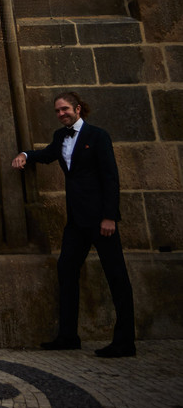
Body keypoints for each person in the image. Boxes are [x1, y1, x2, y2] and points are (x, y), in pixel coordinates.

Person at [11, 92, 135, 358]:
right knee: (66, 270)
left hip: (101, 220)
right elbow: (46, 155)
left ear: (78, 109)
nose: (61, 114)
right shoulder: (60, 137)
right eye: (57, 111)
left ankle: (125, 341)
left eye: (65, 109)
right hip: (76, 221)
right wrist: (25, 155)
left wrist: (109, 216)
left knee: (117, 277)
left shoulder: (98, 136)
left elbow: (110, 177)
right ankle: (68, 336)